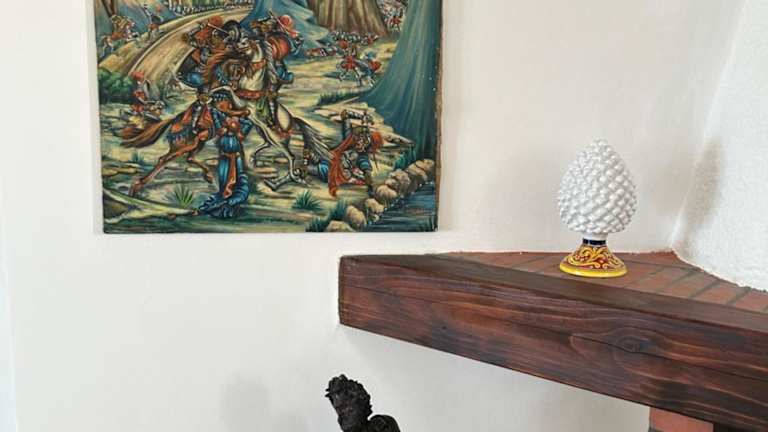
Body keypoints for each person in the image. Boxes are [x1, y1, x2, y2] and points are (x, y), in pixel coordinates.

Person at [304, 110, 382, 197]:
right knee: (313, 150)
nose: (359, 141)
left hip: (333, 172)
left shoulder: (362, 157)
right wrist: (361, 117)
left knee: (307, 168)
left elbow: (367, 172)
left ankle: (308, 165)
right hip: (329, 158)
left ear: (367, 145)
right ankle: (312, 159)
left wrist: (370, 187)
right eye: (359, 138)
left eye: (363, 140)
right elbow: (345, 114)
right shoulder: (349, 141)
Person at [197, 108, 254, 218]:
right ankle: (223, 208)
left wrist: (237, 118)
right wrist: (228, 116)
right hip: (224, 161)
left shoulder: (239, 135)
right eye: (231, 121)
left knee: (238, 183)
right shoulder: (221, 131)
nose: (233, 121)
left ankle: (229, 206)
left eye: (234, 122)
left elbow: (249, 123)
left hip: (236, 161)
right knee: (224, 186)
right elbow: (214, 111)